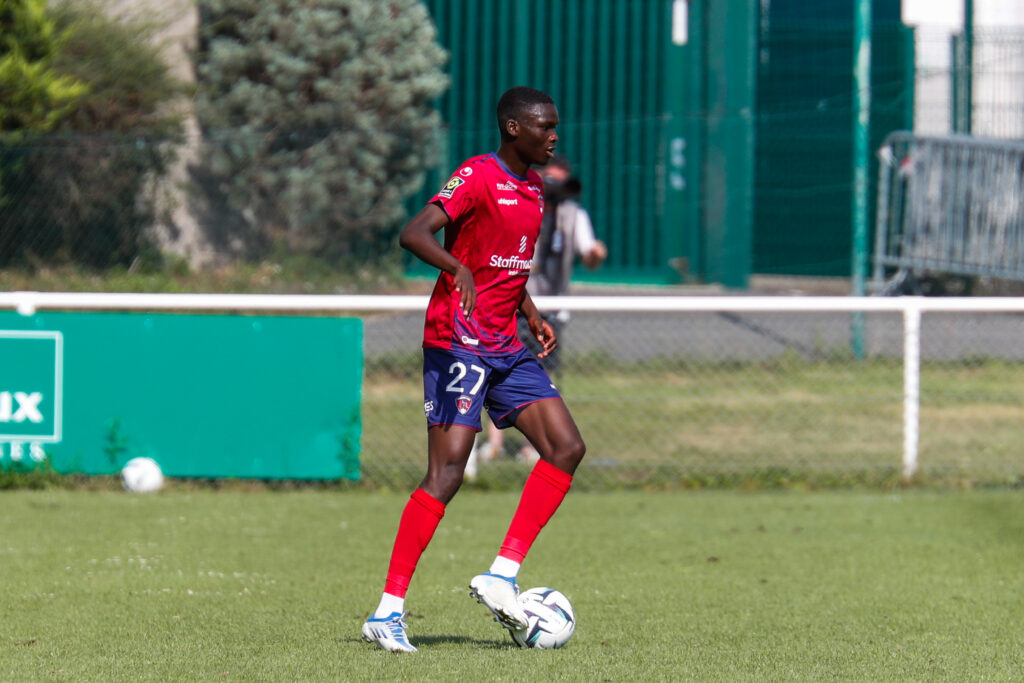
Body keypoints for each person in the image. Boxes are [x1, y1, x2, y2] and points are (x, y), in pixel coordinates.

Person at [361, 86, 587, 653]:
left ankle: (501, 574)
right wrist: (454, 266)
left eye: (555, 126)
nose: (553, 135)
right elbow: (414, 233)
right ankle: (387, 613)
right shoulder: (478, 175)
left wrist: (531, 314)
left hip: (506, 343)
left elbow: (508, 268)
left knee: (566, 447)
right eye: (544, 126)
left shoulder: (535, 190)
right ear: (514, 127)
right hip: (456, 340)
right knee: (447, 474)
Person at [468, 155, 607, 470]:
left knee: (540, 378)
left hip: (552, 310)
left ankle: (533, 445)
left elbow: (590, 256)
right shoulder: (523, 205)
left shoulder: (574, 215)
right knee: (497, 370)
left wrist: (597, 253)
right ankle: (495, 443)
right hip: (513, 305)